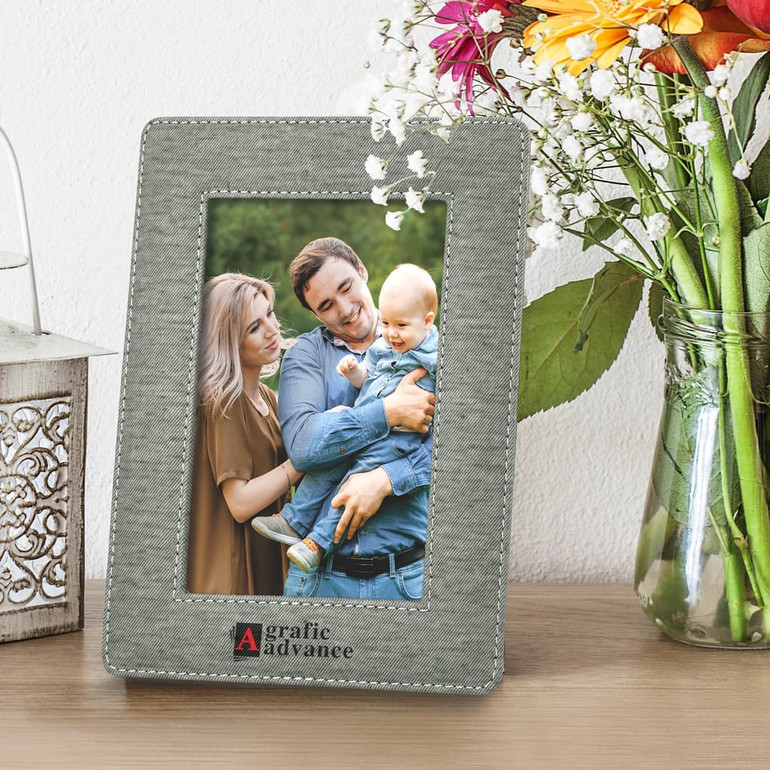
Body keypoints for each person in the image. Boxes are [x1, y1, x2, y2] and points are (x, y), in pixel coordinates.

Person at [251, 237, 435, 600]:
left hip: (407, 574)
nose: (345, 308)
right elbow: (304, 447)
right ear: (317, 315)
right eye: (326, 305)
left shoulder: (423, 342)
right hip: (322, 580)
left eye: (346, 287)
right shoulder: (306, 355)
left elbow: (462, 448)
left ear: (362, 271)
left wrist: (386, 479)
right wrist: (389, 412)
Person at [187, 273, 302, 595]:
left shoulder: (264, 396)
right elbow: (240, 502)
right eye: (254, 328)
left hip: (267, 558)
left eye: (269, 313)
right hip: (233, 574)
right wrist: (301, 463)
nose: (271, 329)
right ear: (228, 341)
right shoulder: (223, 401)